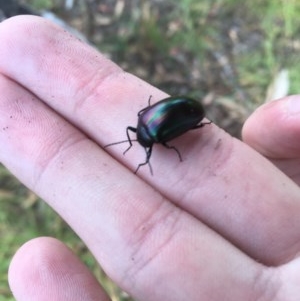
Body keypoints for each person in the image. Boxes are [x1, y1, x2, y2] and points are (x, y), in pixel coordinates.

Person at [1, 16, 300, 301]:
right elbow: (155, 124)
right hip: (179, 113)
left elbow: (166, 138)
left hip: (182, 115)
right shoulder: (144, 125)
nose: (142, 150)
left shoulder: (153, 136)